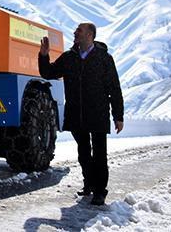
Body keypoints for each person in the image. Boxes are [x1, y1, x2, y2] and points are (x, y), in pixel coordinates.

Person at [38, 22, 124, 206]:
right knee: (84, 153)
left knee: (100, 154)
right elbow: (48, 73)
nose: (75, 32)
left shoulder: (104, 58)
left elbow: (114, 88)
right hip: (76, 113)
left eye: (79, 30)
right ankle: (89, 184)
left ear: (90, 35)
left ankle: (100, 191)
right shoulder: (69, 57)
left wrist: (118, 116)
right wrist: (44, 56)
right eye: (76, 30)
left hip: (98, 113)